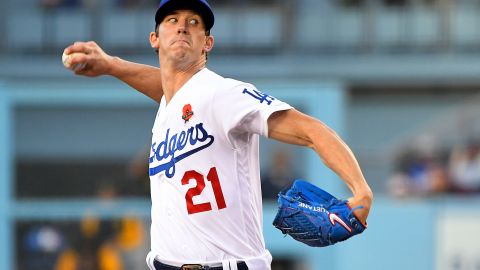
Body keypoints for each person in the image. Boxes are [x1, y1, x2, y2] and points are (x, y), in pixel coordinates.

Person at [63, 0, 373, 269]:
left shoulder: (223, 94)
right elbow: (169, 88)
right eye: (173, 20)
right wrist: (112, 65)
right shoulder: (173, 102)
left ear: (207, 43)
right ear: (155, 39)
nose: (183, 27)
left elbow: (312, 131)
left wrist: (360, 190)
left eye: (194, 23)